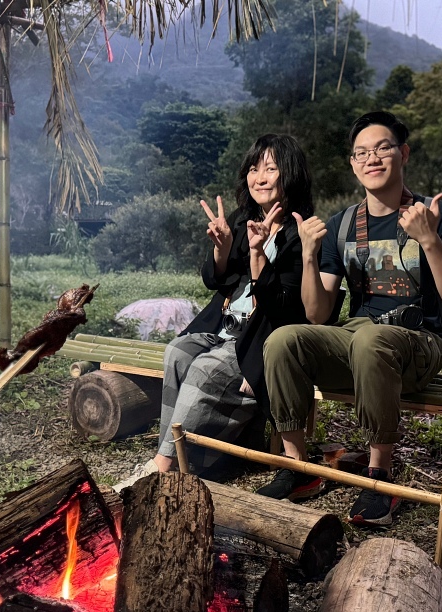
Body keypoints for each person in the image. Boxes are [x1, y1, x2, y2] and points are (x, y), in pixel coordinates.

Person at [256, 111, 442, 526]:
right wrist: (307, 254)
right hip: (359, 339)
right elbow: (318, 313)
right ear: (353, 164)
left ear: (404, 153)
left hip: (419, 343)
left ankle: (379, 475)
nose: (372, 158)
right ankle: (297, 467)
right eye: (361, 153)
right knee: (284, 339)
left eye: (382, 148)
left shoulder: (436, 217)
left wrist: (429, 240)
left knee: (370, 340)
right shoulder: (343, 225)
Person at [116, 134, 316, 488]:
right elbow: (215, 280)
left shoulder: (301, 234)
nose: (261, 177)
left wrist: (260, 257)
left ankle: (163, 468)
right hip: (224, 325)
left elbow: (285, 306)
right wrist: (223, 249)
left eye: (271, 168)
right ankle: (191, 460)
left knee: (207, 370)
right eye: (254, 169)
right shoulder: (242, 220)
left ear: (292, 175)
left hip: (261, 335)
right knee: (177, 353)